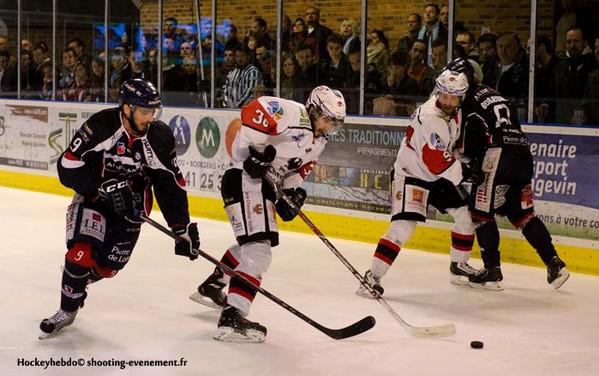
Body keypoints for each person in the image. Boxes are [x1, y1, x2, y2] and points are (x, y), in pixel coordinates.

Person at [39, 78, 200, 338]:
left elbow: (170, 184)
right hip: (94, 200)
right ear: (126, 108)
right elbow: (67, 165)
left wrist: (181, 228)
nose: (150, 117)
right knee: (80, 253)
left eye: (153, 111)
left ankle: (78, 280)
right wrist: (99, 189)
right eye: (145, 111)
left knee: (108, 268)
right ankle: (66, 309)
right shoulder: (101, 125)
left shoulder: (159, 136)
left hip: (132, 210)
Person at [189, 86, 346, 343]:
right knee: (259, 251)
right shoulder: (294, 113)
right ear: (314, 109)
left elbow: (297, 171)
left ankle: (213, 286)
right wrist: (257, 150)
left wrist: (293, 193)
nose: (329, 127)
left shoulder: (319, 142)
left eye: (335, 124)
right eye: (327, 119)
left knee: (251, 246)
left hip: (262, 187)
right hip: (243, 179)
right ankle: (233, 314)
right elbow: (254, 109)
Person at [446, 58, 570, 290]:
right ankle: (555, 263)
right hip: (523, 155)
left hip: (497, 156)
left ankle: (492, 268)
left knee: (480, 212)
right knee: (522, 214)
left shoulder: (468, 100)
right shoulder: (497, 95)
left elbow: (471, 138)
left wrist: (467, 161)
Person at [356, 69, 478, 298]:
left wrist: (466, 163)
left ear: (460, 97)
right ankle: (372, 278)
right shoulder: (431, 116)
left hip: (436, 175)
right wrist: (466, 172)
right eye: (444, 94)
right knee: (403, 227)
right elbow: (435, 160)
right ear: (438, 92)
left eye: (454, 96)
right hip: (411, 174)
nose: (448, 100)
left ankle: (458, 267)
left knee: (465, 215)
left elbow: (448, 150)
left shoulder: (456, 113)